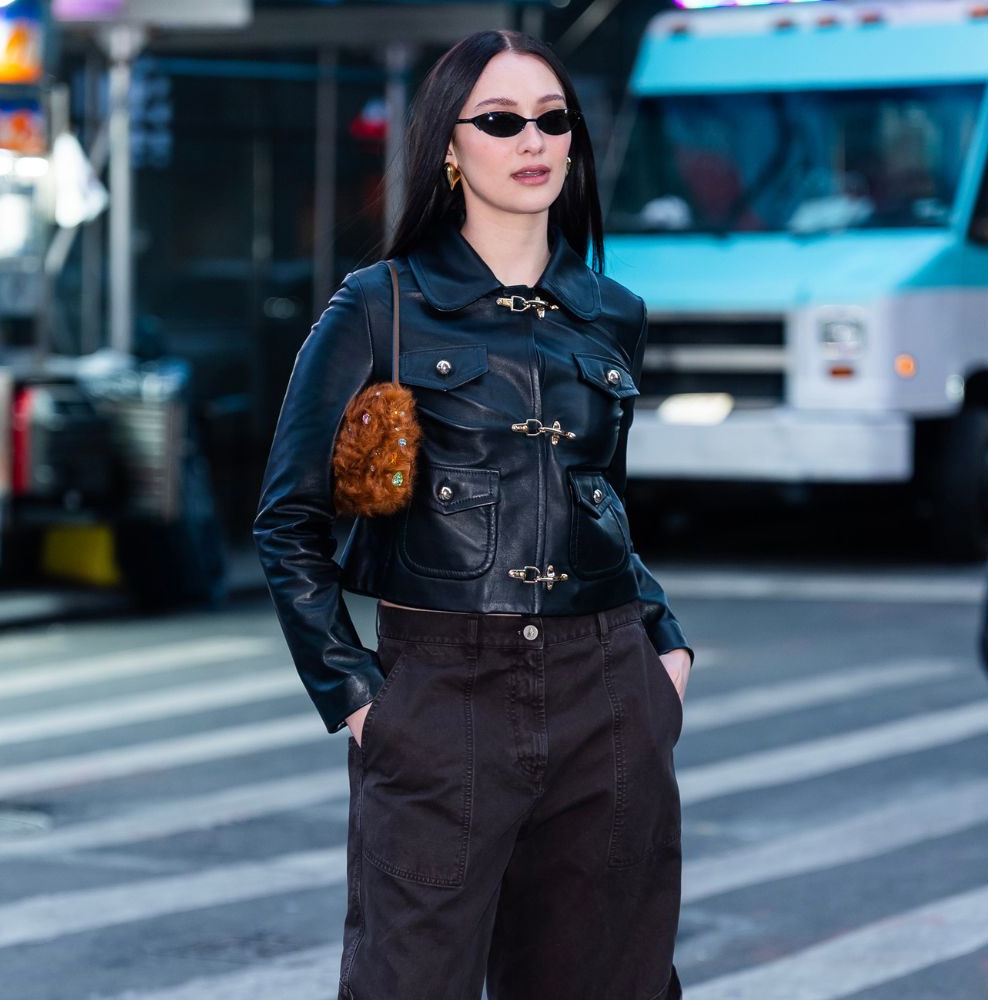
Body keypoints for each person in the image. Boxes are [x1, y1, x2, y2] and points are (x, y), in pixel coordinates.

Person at [252, 28, 695, 1000]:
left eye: (552, 119)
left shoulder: (609, 312)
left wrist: (665, 653)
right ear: (449, 147)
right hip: (442, 691)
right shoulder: (379, 306)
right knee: (408, 981)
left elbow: (602, 495)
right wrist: (360, 700)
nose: (531, 140)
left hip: (610, 688)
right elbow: (287, 521)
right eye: (500, 120)